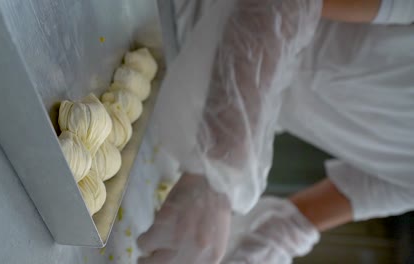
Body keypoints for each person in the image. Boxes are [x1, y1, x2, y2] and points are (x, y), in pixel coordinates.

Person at [138, 0, 414, 263]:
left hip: (169, 100)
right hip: (159, 15)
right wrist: (218, 172)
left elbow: (292, 226)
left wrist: (251, 257)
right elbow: (282, 4)